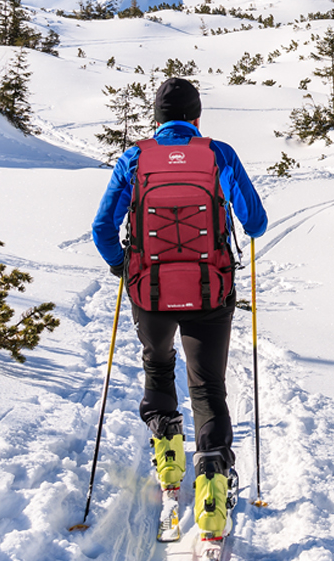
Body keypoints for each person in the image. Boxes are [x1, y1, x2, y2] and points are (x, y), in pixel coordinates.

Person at [91, 77, 267, 536]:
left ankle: (169, 462)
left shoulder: (135, 157)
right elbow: (257, 222)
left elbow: (102, 229)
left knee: (157, 364)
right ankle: (212, 490)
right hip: (210, 291)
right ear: (197, 118)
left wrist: (122, 267)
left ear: (157, 119)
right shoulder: (217, 154)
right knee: (208, 386)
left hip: (150, 293)